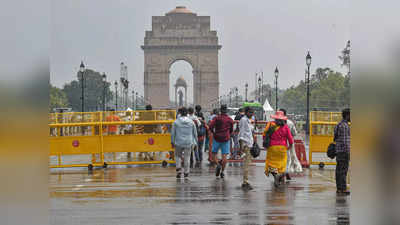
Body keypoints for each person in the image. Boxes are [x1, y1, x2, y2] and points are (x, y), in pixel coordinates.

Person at [263, 111, 294, 187]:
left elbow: (264, 135)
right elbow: (290, 139)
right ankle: (279, 174)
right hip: (282, 148)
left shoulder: (270, 124)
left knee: (271, 164)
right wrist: (290, 146)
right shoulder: (286, 127)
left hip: (272, 147)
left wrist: (266, 143)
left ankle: (275, 176)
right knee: (282, 164)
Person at [171, 107, 198, 179]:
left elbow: (173, 133)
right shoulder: (191, 122)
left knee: (177, 156)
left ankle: (178, 169)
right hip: (188, 142)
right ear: (187, 113)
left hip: (178, 142)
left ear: (180, 113)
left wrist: (172, 142)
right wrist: (196, 142)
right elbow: (195, 133)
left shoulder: (176, 122)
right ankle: (186, 173)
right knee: (187, 157)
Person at [208, 104, 234, 178]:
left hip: (217, 138)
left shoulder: (216, 118)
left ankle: (218, 164)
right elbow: (231, 130)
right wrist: (228, 133)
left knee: (213, 153)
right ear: (226, 111)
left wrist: (213, 132)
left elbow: (210, 127)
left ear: (220, 110)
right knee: (224, 155)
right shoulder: (230, 119)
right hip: (226, 138)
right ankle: (222, 171)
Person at [279, 108, 303, 180]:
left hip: (278, 144)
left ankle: (283, 174)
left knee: (280, 159)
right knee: (288, 159)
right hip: (288, 144)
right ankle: (286, 173)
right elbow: (294, 133)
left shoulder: (275, 123)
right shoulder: (289, 123)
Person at [334, 108, 350, 195]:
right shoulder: (344, 126)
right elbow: (345, 141)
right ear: (347, 115)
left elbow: (335, 138)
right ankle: (343, 188)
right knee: (343, 170)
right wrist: (348, 152)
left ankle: (339, 188)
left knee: (339, 170)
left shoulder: (338, 124)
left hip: (339, 151)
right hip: (344, 152)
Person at [238, 107, 255, 190]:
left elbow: (249, 132)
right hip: (246, 144)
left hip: (249, 143)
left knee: (247, 163)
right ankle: (245, 182)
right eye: (250, 112)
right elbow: (241, 134)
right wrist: (241, 147)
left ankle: (245, 181)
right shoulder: (244, 120)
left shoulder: (248, 120)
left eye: (252, 112)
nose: (251, 114)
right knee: (247, 164)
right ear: (246, 112)